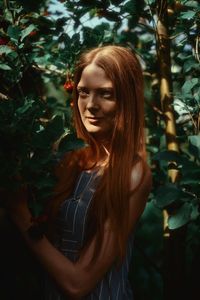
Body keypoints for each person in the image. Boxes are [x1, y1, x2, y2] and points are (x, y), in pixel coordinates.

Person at [9, 45, 152, 299]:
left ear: (126, 100)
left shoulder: (133, 173)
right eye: (83, 92)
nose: (90, 105)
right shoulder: (69, 156)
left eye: (106, 94)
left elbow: (79, 284)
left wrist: (20, 214)